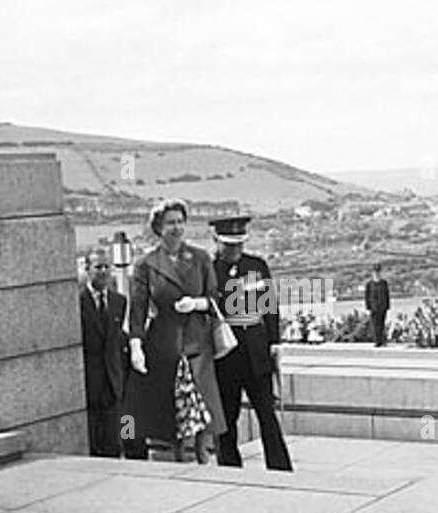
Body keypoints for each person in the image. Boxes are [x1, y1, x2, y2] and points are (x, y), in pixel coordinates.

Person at [126, 199, 227, 463]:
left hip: (198, 342)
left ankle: (204, 455)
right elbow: (137, 311)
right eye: (170, 222)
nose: (177, 228)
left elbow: (216, 299)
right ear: (158, 227)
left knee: (204, 405)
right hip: (164, 345)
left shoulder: (201, 257)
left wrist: (197, 303)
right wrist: (136, 346)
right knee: (172, 409)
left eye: (180, 222)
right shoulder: (146, 264)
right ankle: (177, 457)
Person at [210, 215, 292, 472]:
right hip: (227, 351)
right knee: (227, 416)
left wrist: (274, 341)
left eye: (239, 244)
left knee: (267, 414)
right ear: (216, 240)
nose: (235, 250)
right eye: (229, 245)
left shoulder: (257, 266)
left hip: (256, 350)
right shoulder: (210, 271)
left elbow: (270, 306)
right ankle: (229, 466)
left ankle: (280, 467)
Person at [79, 246, 129, 457]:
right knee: (93, 442)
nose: (103, 272)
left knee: (115, 440)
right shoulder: (77, 302)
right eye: (98, 267)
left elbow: (118, 340)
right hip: (90, 382)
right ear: (87, 269)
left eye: (107, 267)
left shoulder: (119, 302)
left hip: (113, 381)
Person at [365, 263, 391, 347]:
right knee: (375, 324)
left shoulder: (384, 283)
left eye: (378, 271)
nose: (377, 273)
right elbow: (367, 296)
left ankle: (382, 340)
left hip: (382, 307)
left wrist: (387, 306)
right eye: (375, 272)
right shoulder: (369, 284)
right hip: (374, 307)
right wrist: (368, 306)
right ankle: (377, 341)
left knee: (382, 323)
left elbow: (387, 295)